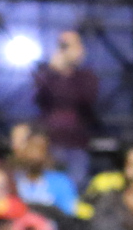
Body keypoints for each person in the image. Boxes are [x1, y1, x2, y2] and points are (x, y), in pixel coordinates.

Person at [30, 29, 101, 187]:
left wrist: (68, 73)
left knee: (77, 184)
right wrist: (54, 71)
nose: (66, 49)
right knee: (50, 185)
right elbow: (39, 98)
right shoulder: (46, 73)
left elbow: (85, 99)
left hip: (77, 143)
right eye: (62, 45)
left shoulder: (86, 76)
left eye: (70, 45)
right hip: (50, 142)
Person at [6, 123, 82, 217]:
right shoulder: (11, 180)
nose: (35, 155)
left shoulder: (61, 182)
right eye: (31, 149)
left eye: (40, 149)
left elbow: (70, 213)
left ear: (47, 154)